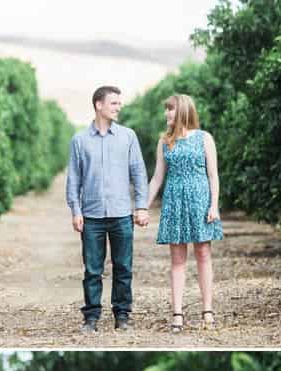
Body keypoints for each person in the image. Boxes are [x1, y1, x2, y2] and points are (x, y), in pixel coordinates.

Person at [66, 85, 149, 333]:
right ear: (99, 105)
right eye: (114, 103)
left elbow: (139, 173)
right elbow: (74, 179)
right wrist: (75, 210)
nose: (118, 107)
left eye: (119, 103)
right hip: (91, 216)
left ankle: (122, 315)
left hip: (122, 214)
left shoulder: (128, 136)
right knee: (92, 270)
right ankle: (91, 317)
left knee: (123, 267)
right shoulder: (79, 140)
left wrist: (142, 206)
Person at [146, 93, 224, 332]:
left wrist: (214, 205)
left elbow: (213, 175)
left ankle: (207, 311)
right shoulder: (164, 141)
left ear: (182, 111)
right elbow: (158, 177)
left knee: (203, 254)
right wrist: (143, 206)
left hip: (200, 201)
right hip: (174, 201)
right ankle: (177, 313)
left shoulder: (204, 138)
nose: (166, 114)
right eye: (166, 110)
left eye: (170, 109)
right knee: (177, 260)